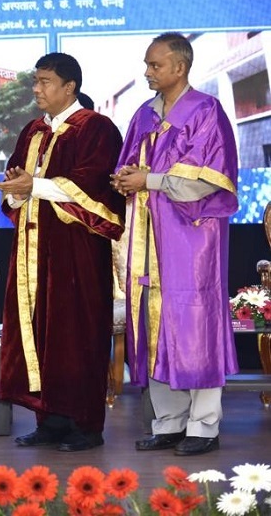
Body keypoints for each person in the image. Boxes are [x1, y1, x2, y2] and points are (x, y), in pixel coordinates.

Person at [111, 32, 239, 457]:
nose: (148, 72)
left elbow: (206, 181)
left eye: (155, 65)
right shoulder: (144, 115)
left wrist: (148, 180)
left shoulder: (206, 111)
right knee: (156, 325)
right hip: (149, 237)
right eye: (147, 65)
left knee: (195, 325)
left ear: (179, 67)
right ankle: (168, 423)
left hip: (192, 238)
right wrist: (124, 179)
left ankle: (203, 426)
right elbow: (129, 168)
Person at [0, 53, 125, 452]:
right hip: (33, 251)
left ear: (70, 87)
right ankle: (49, 421)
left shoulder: (96, 128)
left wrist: (33, 186)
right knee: (40, 333)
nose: (37, 89)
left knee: (77, 335)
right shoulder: (33, 131)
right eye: (36, 81)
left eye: (45, 81)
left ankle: (85, 425)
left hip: (76, 253)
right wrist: (18, 190)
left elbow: (93, 187)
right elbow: (18, 182)